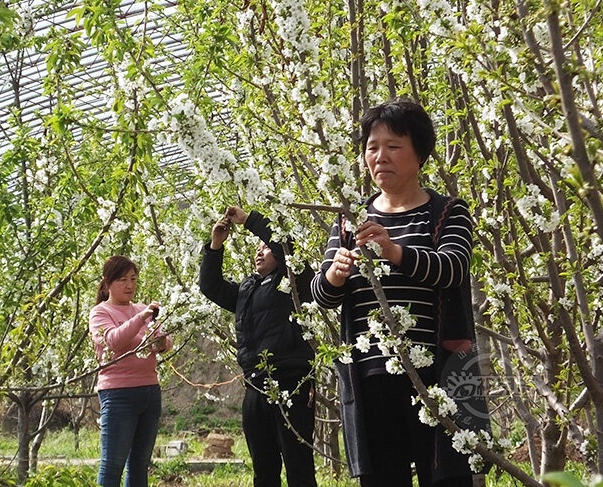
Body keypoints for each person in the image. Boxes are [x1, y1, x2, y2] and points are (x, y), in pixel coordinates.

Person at [311, 99, 483, 487]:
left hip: (437, 374)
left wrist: (394, 252)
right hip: (370, 378)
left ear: (419, 154)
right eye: (372, 147)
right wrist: (335, 276)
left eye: (393, 146)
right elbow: (321, 296)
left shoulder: (448, 211)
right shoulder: (350, 219)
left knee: (446, 476)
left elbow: (453, 268)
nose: (380, 157)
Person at [199, 206, 317, 487]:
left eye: (266, 247)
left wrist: (250, 220)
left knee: (298, 466)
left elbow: (288, 248)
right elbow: (210, 286)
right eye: (256, 248)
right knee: (263, 469)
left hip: (291, 382)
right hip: (255, 385)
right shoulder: (247, 289)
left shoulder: (293, 280)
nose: (259, 252)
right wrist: (216, 246)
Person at [89, 255, 171, 487]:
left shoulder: (143, 309)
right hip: (118, 395)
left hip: (149, 391)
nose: (129, 285)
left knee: (139, 463)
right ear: (107, 283)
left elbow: (165, 341)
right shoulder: (100, 313)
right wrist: (141, 318)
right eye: (122, 280)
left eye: (133, 279)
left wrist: (162, 341)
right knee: (113, 464)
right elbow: (113, 341)